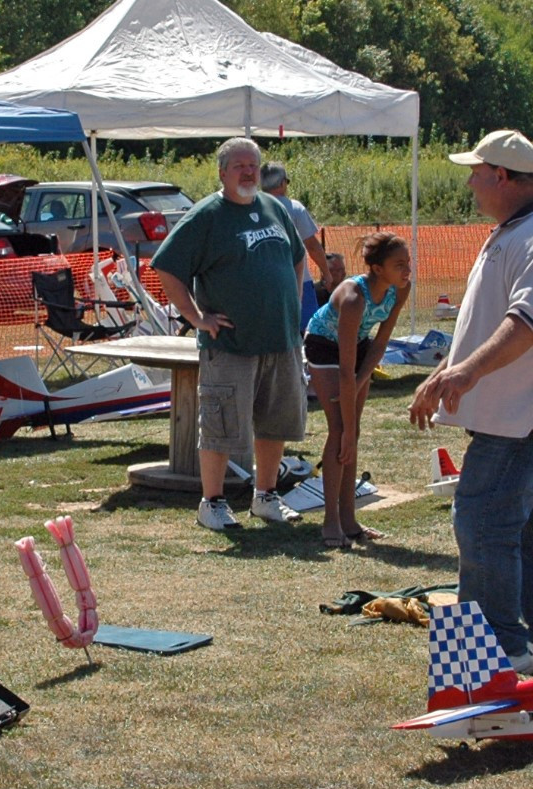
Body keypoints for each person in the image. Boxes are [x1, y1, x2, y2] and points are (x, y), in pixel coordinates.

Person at [407, 129, 533, 674]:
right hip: (526, 421)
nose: (470, 182)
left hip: (523, 424)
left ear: (503, 177)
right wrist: (445, 371)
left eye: (476, 172)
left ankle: (494, 655)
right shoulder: (518, 233)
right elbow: (488, 323)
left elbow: (525, 326)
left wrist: (465, 372)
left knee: (484, 522)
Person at [153, 137, 308, 532]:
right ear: (222, 173)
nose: (248, 172)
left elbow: (297, 256)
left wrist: (292, 305)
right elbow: (167, 267)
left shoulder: (274, 207)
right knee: (221, 426)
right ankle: (212, 503)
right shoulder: (207, 215)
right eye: (239, 166)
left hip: (281, 340)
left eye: (253, 165)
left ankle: (266, 497)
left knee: (275, 423)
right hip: (230, 344)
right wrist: (196, 317)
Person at [305, 232, 412, 548]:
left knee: (354, 432)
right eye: (399, 265)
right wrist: (350, 415)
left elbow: (380, 343)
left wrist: (362, 381)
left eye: (408, 262)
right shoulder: (353, 298)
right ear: (377, 269)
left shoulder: (400, 289)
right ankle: (331, 522)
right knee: (341, 430)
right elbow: (345, 370)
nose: (407, 270)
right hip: (324, 345)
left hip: (358, 345)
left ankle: (349, 521)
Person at [260, 162, 329, 325]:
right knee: (306, 328)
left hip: (264, 283)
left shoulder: (252, 209)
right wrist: (326, 272)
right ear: (282, 183)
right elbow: (312, 246)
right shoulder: (295, 208)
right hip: (299, 281)